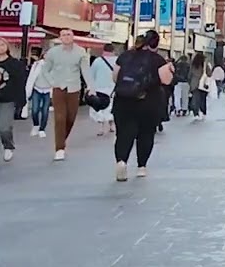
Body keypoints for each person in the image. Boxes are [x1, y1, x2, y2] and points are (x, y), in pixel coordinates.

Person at [112, 31, 174, 181]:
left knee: (123, 133)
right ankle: (141, 167)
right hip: (148, 101)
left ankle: (121, 161)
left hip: (123, 100)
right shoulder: (158, 60)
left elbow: (115, 78)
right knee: (146, 133)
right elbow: (166, 81)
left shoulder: (125, 56)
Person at [42, 29, 90, 160]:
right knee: (60, 118)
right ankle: (59, 148)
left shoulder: (80, 52)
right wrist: (52, 82)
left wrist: (90, 86)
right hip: (58, 88)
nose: (66, 37)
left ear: (73, 37)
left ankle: (62, 139)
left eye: (69, 34)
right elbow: (45, 70)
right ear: (60, 38)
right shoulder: (53, 52)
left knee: (70, 118)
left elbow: (85, 70)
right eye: (64, 35)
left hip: (74, 88)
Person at [0, 38, 28, 162]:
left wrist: (21, 100)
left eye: (2, 44)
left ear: (7, 47)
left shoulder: (15, 64)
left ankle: (8, 145)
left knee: (4, 127)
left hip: (7, 99)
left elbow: (20, 83)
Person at [86, 42, 119, 135]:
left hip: (99, 88)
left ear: (103, 50)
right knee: (111, 107)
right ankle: (112, 125)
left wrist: (89, 87)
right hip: (113, 88)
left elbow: (91, 75)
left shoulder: (97, 61)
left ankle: (101, 127)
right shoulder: (117, 61)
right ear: (113, 51)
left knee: (99, 108)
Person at [24, 46, 49, 138]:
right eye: (46, 54)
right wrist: (28, 89)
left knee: (45, 111)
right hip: (37, 89)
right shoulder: (37, 64)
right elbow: (31, 77)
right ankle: (36, 125)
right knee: (35, 110)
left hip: (47, 90)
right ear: (43, 55)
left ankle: (42, 129)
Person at [189, 52, 210, 121]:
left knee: (195, 99)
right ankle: (203, 112)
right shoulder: (205, 65)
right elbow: (209, 73)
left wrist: (190, 83)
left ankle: (196, 113)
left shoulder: (193, 65)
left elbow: (189, 75)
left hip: (194, 84)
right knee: (203, 100)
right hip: (203, 84)